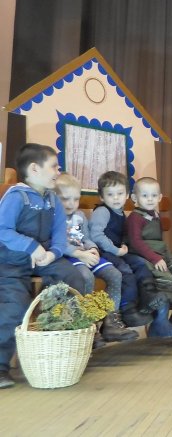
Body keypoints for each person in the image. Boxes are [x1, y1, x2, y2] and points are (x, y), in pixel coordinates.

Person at [0, 144, 86, 389]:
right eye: (54, 167)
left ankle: (56, 340)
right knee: (15, 307)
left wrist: (52, 253)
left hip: (44, 259)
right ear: (34, 169)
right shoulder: (16, 196)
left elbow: (59, 235)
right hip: (11, 263)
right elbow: (3, 230)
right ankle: (1, 365)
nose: (58, 171)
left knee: (73, 278)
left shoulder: (52, 199)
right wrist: (32, 247)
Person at [55, 173, 137, 344]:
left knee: (115, 275)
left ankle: (110, 323)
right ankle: (87, 325)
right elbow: (57, 242)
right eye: (65, 199)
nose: (71, 204)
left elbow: (86, 237)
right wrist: (80, 254)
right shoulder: (54, 217)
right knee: (86, 276)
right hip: (69, 257)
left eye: (75, 199)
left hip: (85, 253)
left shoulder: (80, 215)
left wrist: (93, 248)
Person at [89, 171, 165, 328]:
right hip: (104, 253)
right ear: (102, 197)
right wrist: (116, 250)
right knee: (126, 272)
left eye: (120, 193)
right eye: (110, 194)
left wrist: (123, 245)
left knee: (140, 263)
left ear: (127, 195)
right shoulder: (103, 211)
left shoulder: (120, 212)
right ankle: (127, 310)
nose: (116, 198)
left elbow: (123, 234)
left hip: (118, 252)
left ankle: (148, 296)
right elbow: (96, 235)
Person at [127, 177, 172, 337]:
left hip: (162, 252)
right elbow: (135, 243)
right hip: (145, 255)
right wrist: (155, 258)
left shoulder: (155, 214)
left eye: (154, 195)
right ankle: (159, 322)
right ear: (134, 198)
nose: (150, 199)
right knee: (165, 278)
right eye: (145, 195)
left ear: (160, 197)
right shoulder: (135, 218)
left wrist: (161, 256)